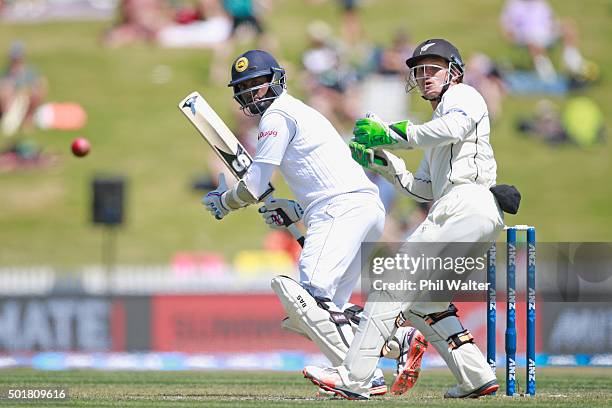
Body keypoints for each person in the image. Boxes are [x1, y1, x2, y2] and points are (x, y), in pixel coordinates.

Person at [202, 49, 427, 396]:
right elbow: (320, 173)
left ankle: (362, 377)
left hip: (339, 208)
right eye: (244, 88)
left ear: (275, 80)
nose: (251, 94)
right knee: (324, 310)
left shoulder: (277, 116)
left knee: (308, 300)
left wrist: (225, 201)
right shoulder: (299, 111)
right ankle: (398, 338)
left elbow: (256, 184)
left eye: (257, 84)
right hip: (356, 205)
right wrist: (297, 210)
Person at [304, 38, 515, 399]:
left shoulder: (463, 96)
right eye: (419, 71)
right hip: (469, 212)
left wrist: (391, 133)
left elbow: (451, 130)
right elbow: (425, 190)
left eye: (433, 68)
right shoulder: (437, 119)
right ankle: (476, 377)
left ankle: (354, 378)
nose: (424, 76)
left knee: (391, 284)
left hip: (468, 204)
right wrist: (385, 164)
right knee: (425, 303)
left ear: (454, 72)